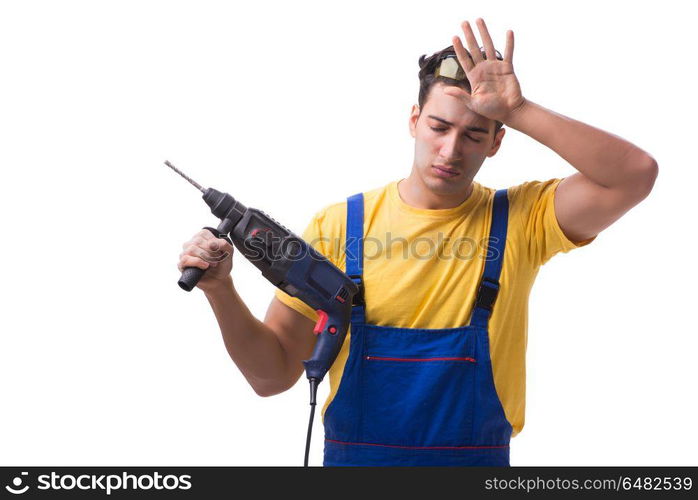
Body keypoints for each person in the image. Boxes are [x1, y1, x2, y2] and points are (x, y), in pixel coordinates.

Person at [177, 18, 658, 466]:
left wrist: (519, 110)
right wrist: (220, 291)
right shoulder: (339, 226)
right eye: (439, 126)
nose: (451, 151)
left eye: (474, 134)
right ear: (414, 120)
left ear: (496, 142)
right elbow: (271, 375)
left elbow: (634, 175)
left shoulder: (522, 220)